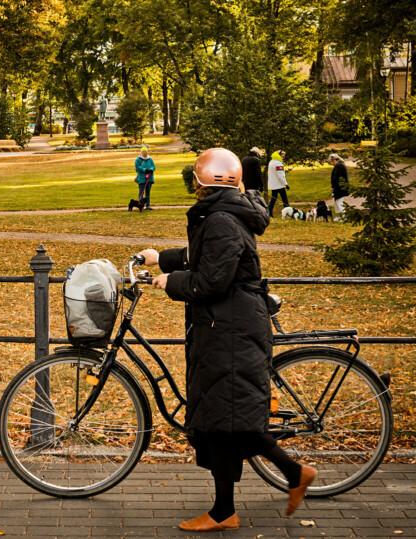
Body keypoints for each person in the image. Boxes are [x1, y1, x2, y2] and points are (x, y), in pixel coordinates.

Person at [137, 148, 316, 533]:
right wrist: (161, 258)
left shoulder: (219, 218)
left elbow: (211, 280)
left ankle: (292, 473)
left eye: (195, 181)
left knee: (231, 419)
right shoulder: (225, 213)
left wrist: (173, 282)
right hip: (224, 324)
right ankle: (226, 510)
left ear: (203, 182)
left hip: (231, 327)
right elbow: (207, 257)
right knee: (220, 419)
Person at [266, 150, 290, 216]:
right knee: (285, 199)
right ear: (279, 155)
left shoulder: (271, 162)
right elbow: (280, 175)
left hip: (273, 185)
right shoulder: (278, 164)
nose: (283, 157)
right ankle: (288, 212)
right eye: (283, 155)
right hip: (279, 185)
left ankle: (269, 212)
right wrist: (286, 184)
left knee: (273, 199)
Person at [133, 145, 156, 210]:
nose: (144, 153)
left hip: (149, 178)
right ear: (141, 152)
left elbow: (153, 166)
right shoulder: (138, 159)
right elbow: (138, 167)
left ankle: (148, 205)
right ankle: (140, 204)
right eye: (143, 152)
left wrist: (151, 169)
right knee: (141, 192)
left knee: (148, 192)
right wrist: (145, 170)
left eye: (146, 152)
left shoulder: (150, 159)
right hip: (142, 178)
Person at [329, 153, 350, 220]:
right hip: (338, 187)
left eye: (331, 162)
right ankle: (340, 217)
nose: (331, 163)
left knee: (339, 202)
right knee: (336, 202)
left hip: (340, 187)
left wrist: (334, 187)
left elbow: (337, 178)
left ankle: (344, 217)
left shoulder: (339, 166)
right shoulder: (338, 166)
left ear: (334, 160)